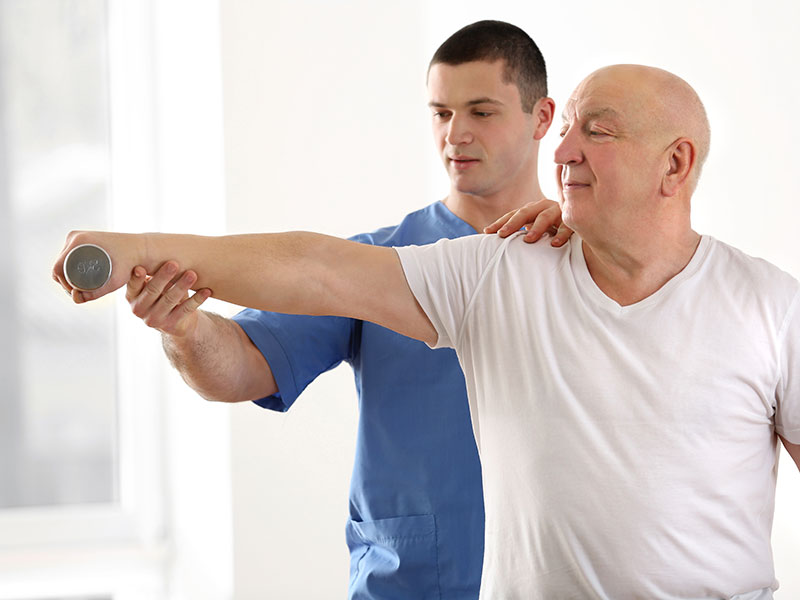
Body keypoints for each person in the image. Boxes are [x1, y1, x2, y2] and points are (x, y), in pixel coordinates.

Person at [54, 65, 800, 598]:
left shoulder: (769, 305)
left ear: (676, 164)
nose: (565, 150)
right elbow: (315, 269)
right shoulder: (495, 273)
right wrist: (139, 251)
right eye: (566, 128)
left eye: (594, 133)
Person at [117, 21, 569, 598]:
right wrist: (183, 327)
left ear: (542, 117)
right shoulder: (377, 265)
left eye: (481, 111)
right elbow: (239, 368)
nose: (455, 134)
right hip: (410, 583)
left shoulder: (582, 259)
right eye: (440, 113)